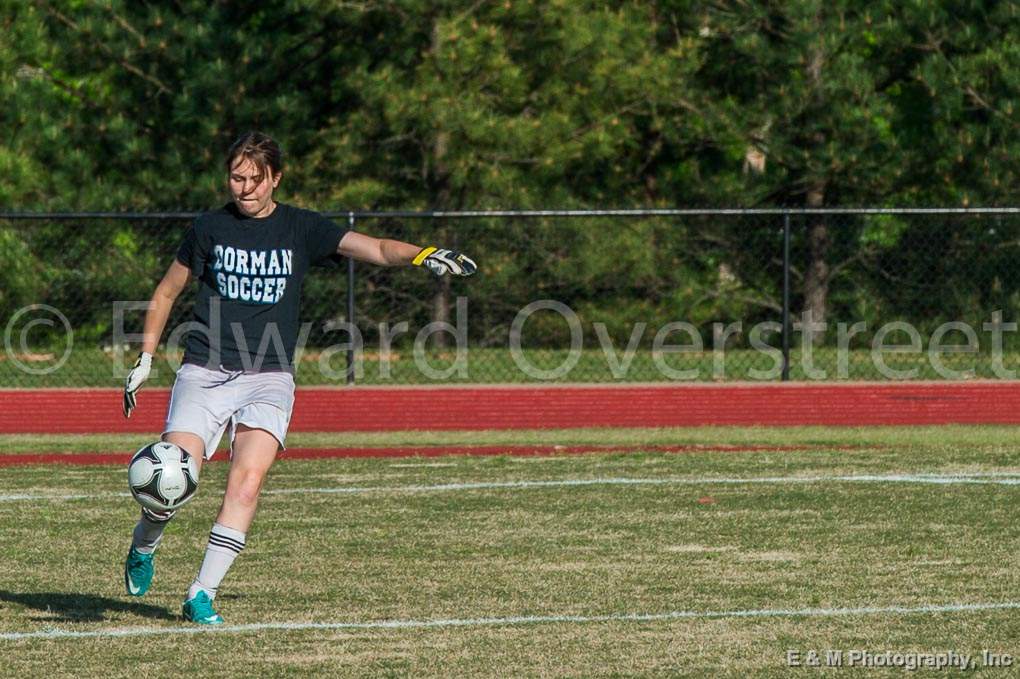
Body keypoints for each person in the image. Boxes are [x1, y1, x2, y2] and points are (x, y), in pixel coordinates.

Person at [121, 131, 476, 625]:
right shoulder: (208, 227)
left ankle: (202, 593)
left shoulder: (300, 228)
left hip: (269, 375)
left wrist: (421, 254)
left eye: (254, 179)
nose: (244, 188)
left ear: (276, 178)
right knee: (176, 480)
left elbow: (373, 247)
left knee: (247, 483)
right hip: (204, 370)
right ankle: (146, 542)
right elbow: (165, 293)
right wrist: (144, 356)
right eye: (236, 177)